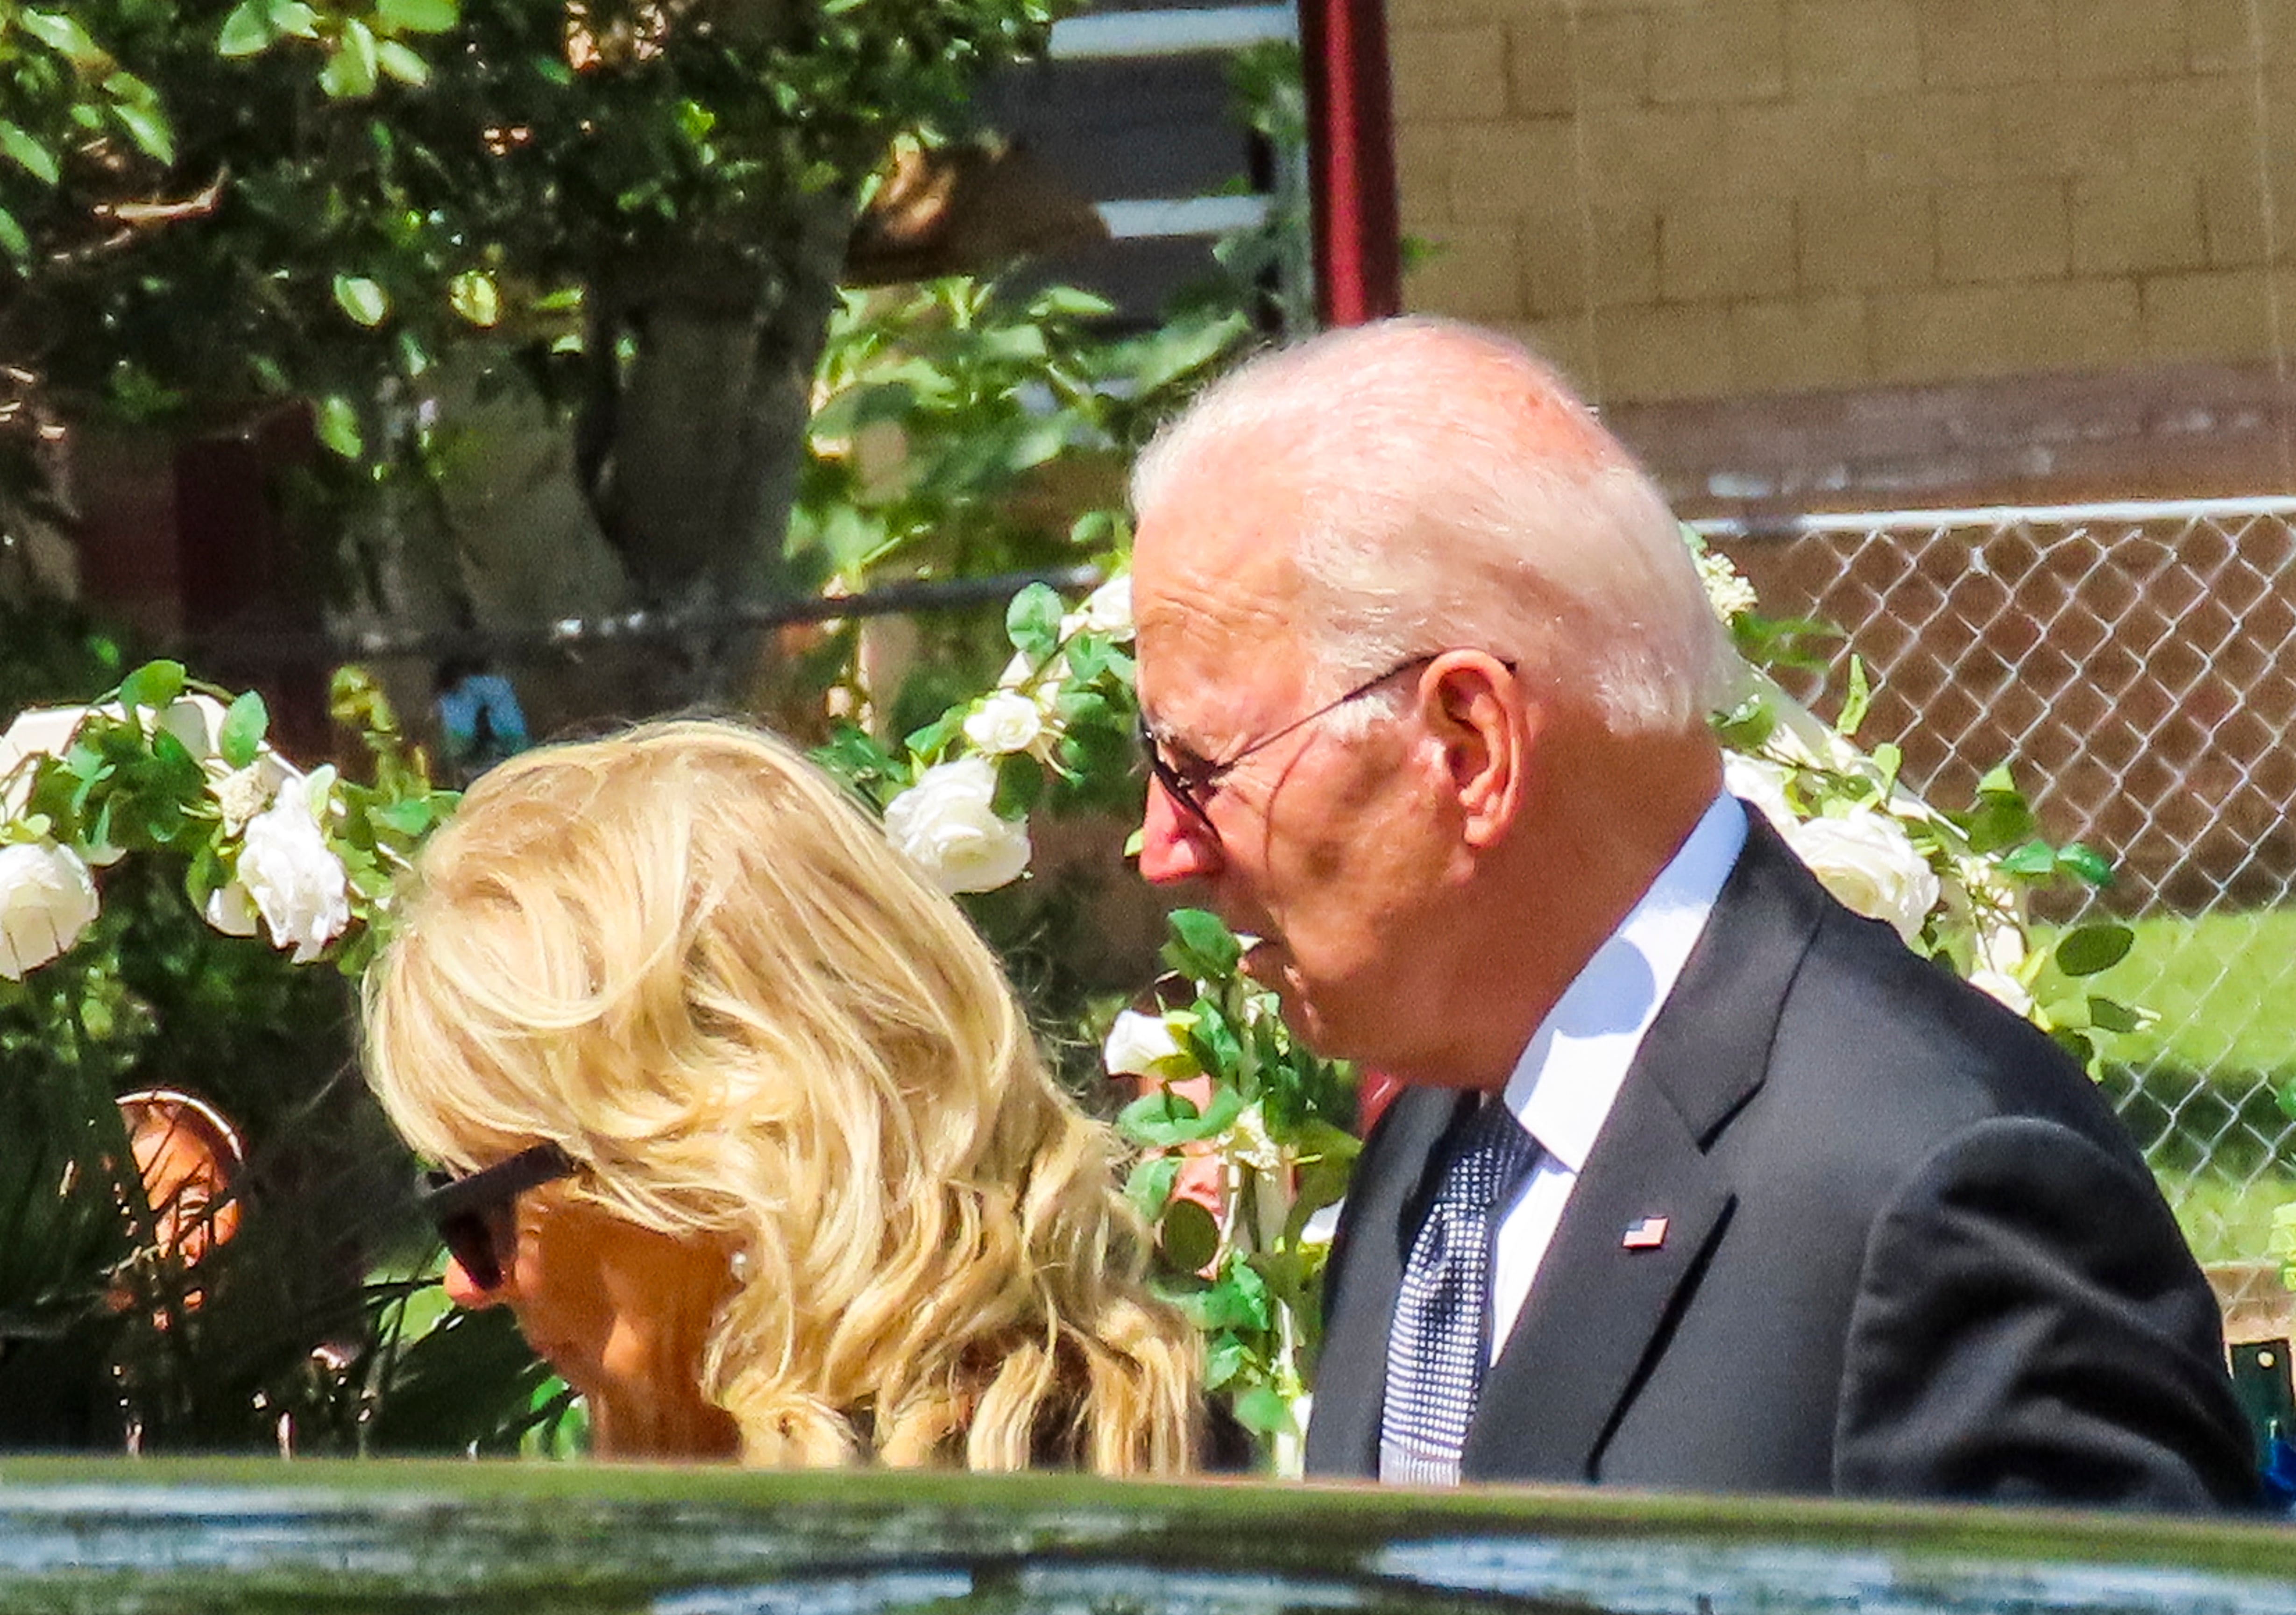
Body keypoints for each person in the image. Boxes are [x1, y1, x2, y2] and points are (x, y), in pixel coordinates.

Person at [1126, 317, 2257, 1507]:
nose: (1162, 850)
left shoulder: (1928, 1188)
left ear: (1468, 747)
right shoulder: (1437, 1152)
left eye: (1201, 768)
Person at [362, 719, 1202, 1473]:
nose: (466, 1282)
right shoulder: (1174, 1473)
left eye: (480, 1212)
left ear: (719, 1161)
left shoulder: (838, 1562)